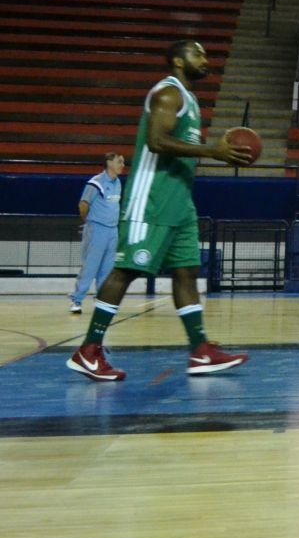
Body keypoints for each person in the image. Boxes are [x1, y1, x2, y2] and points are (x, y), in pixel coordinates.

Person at [66, 40, 254, 381]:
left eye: (205, 51)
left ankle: (200, 351)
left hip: (179, 202)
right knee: (126, 270)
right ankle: (89, 350)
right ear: (178, 62)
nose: (205, 57)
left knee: (186, 272)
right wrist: (212, 151)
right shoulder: (168, 94)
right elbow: (156, 141)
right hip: (150, 199)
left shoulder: (191, 98)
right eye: (197, 53)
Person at [69, 152, 125, 314]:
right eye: (119, 161)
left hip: (112, 231)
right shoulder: (95, 183)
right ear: (109, 163)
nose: (122, 165)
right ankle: (77, 300)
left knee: (107, 269)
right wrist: (90, 222)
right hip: (97, 229)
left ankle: (101, 299)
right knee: (90, 266)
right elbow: (83, 204)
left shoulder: (118, 183)